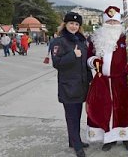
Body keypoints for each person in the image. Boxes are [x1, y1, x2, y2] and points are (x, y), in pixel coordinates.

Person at [86, 6, 128, 152]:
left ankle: (127, 138)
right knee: (104, 110)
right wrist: (94, 61)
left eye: (114, 22)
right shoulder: (97, 38)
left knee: (124, 110)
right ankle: (109, 138)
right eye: (109, 22)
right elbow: (89, 56)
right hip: (102, 81)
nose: (111, 25)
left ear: (119, 23)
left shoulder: (127, 39)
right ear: (104, 23)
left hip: (122, 82)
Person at [51, 12, 91, 157]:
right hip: (68, 86)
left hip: (80, 85)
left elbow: (85, 64)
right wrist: (72, 55)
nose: (73, 26)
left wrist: (90, 78)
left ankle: (73, 140)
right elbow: (57, 63)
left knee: (77, 115)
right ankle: (77, 145)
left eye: (76, 24)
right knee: (72, 116)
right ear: (65, 24)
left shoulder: (81, 41)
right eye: (71, 23)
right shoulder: (59, 42)